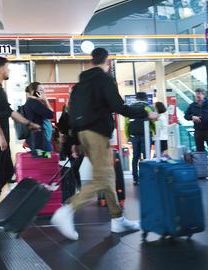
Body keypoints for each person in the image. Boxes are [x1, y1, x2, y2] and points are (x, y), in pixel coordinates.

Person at [51, 48, 158, 241]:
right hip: (97, 134)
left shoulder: (79, 86)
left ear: (91, 62)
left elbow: (72, 114)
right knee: (103, 177)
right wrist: (146, 113)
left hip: (83, 134)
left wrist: (75, 141)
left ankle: (117, 219)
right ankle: (68, 210)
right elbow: (119, 107)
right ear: (107, 62)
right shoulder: (104, 79)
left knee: (107, 177)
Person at [0, 56, 41, 213]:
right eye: (7, 67)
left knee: (7, 172)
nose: (9, 70)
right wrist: (0, 137)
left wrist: (28, 123)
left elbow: (10, 112)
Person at [185, 88, 208, 180]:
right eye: (196, 94)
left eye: (200, 93)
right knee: (200, 152)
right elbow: (186, 116)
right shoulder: (192, 105)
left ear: (204, 94)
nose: (198, 95)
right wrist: (192, 117)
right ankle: (202, 172)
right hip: (198, 131)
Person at [124, 92, 154, 186]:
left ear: (136, 98)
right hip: (145, 135)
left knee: (135, 157)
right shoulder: (148, 107)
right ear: (145, 98)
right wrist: (154, 132)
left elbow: (126, 124)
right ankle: (146, 177)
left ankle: (135, 178)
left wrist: (128, 136)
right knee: (146, 157)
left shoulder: (130, 108)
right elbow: (154, 120)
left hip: (134, 136)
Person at [24, 82, 54, 153]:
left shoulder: (31, 103)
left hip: (37, 139)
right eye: (40, 90)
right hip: (40, 141)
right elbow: (51, 114)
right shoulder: (34, 103)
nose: (43, 93)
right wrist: (46, 100)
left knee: (45, 159)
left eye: (43, 90)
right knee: (48, 158)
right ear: (33, 92)